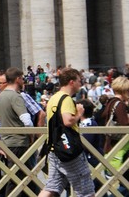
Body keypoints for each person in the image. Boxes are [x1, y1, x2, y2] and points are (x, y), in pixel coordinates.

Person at [38, 67, 94, 197]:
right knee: (85, 189)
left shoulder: (54, 97)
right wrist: (79, 114)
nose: (81, 83)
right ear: (71, 82)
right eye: (80, 80)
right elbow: (68, 121)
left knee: (52, 187)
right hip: (68, 150)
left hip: (54, 148)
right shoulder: (66, 99)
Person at [0, 68, 34, 195]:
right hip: (19, 143)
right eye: (22, 78)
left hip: (6, 143)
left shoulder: (0, 97)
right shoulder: (16, 97)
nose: (23, 81)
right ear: (17, 79)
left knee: (13, 178)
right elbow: (27, 121)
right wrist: (33, 137)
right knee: (19, 180)